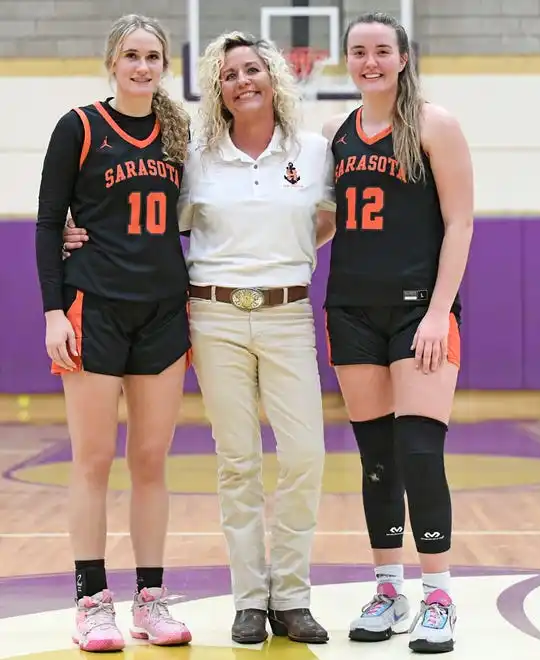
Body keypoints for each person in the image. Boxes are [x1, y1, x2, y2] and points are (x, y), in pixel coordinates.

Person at [63, 30, 334, 646]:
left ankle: (289, 595)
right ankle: (248, 600)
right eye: (230, 74)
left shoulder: (315, 151)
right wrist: (71, 231)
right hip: (212, 316)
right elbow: (148, 214)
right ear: (218, 88)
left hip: (287, 314)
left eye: (253, 70)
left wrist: (284, 255)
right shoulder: (197, 155)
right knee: (237, 462)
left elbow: (331, 217)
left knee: (303, 457)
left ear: (275, 77)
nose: (243, 81)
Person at [36, 14, 193, 653]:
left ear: (164, 65)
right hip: (93, 308)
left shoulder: (179, 136)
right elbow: (49, 224)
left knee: (151, 462)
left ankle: (150, 600)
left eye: (153, 56)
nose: (143, 66)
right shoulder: (78, 127)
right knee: (93, 460)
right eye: (131, 55)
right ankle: (90, 601)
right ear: (112, 61)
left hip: (161, 312)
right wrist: (52, 312)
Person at [321, 11, 473, 654]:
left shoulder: (434, 125)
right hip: (350, 309)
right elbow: (323, 224)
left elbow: (460, 224)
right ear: (347, 61)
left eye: (382, 50)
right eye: (359, 52)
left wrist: (439, 311)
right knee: (377, 460)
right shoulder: (333, 133)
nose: (371, 61)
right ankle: (388, 591)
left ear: (403, 57)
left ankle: (438, 597)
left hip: (420, 312)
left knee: (418, 453)